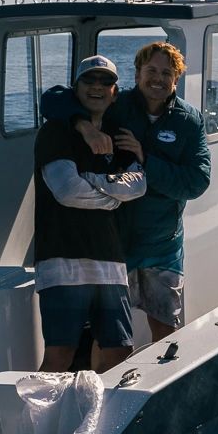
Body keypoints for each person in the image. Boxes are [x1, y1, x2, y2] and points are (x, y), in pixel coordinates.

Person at [33, 55, 146, 372]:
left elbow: (138, 184)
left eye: (105, 82)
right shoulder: (56, 132)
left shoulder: (118, 134)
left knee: (119, 353)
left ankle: (105, 420)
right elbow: (67, 191)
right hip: (62, 259)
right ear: (75, 88)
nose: (97, 87)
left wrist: (95, 183)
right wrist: (112, 197)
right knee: (60, 353)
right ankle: (38, 421)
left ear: (115, 91)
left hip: (110, 261)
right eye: (89, 81)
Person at [105, 41, 211, 342]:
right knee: (110, 337)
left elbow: (197, 181)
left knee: (165, 330)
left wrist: (145, 160)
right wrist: (83, 126)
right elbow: (60, 100)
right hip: (114, 243)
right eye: (151, 70)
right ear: (137, 73)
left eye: (167, 72)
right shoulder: (116, 107)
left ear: (176, 79)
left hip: (162, 244)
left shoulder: (189, 120)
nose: (158, 78)